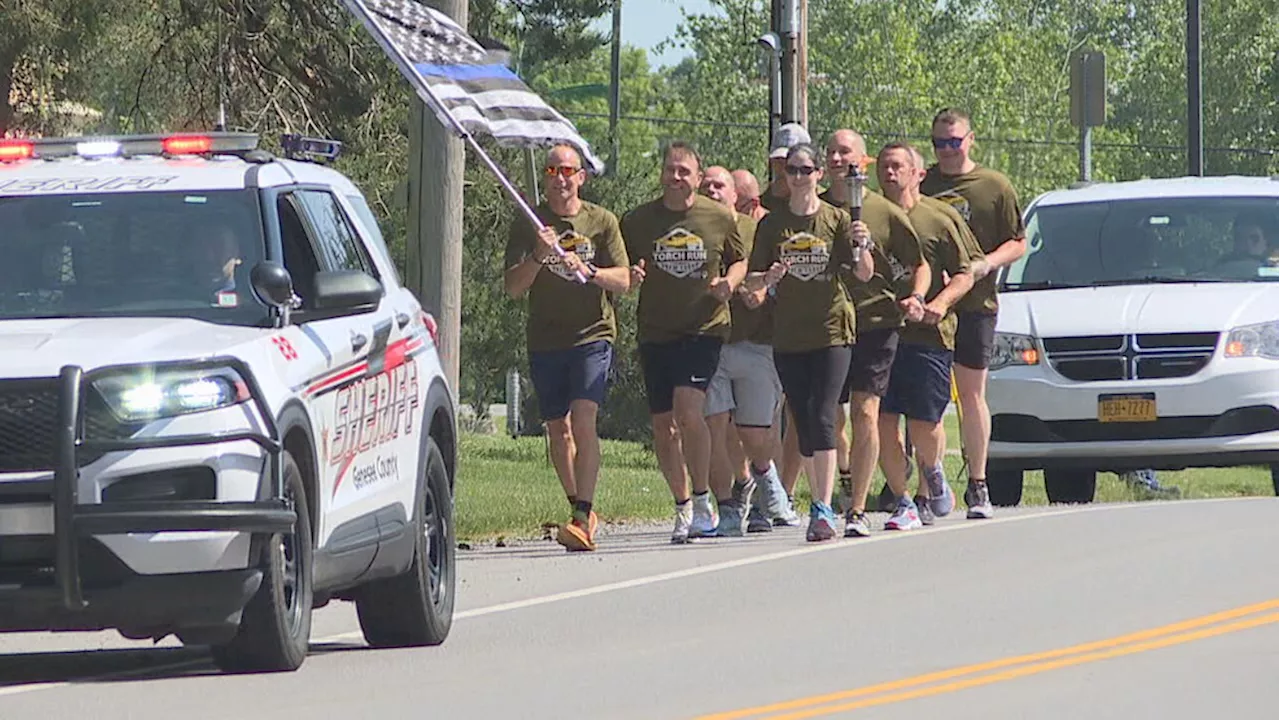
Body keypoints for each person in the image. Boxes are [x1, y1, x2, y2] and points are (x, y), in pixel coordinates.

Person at [742, 143, 875, 542]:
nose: (798, 177)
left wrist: (862, 244)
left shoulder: (836, 219)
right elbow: (751, 281)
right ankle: (816, 501)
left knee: (823, 415)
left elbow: (864, 273)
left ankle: (822, 507)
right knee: (801, 419)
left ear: (819, 174)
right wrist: (770, 279)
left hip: (832, 330)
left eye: (805, 170)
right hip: (789, 335)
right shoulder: (772, 225)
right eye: (791, 171)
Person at [503, 144, 631, 551]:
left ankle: (581, 513)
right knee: (558, 430)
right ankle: (580, 509)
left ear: (582, 177)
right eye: (552, 170)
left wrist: (590, 271)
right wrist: (539, 255)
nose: (560, 178)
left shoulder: (602, 221)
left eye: (568, 171)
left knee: (583, 418)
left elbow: (625, 280)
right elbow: (513, 288)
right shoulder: (529, 223)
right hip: (546, 338)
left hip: (593, 334)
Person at [621, 142, 748, 544]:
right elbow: (622, 263)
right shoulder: (639, 220)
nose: (676, 178)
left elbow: (740, 260)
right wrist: (631, 275)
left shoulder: (719, 217)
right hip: (656, 329)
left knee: (689, 409)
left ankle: (702, 500)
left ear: (697, 177)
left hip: (703, 328)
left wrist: (730, 282)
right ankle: (681, 507)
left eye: (684, 172)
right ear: (662, 174)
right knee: (663, 425)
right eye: (670, 170)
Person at [820, 128, 929, 537]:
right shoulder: (814, 209)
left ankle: (861, 510)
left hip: (877, 322)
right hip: (827, 323)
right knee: (829, 413)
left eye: (845, 152)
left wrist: (917, 297)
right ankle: (843, 485)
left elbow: (919, 263)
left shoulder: (883, 211)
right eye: (829, 151)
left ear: (862, 162)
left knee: (866, 410)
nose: (836, 158)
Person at [920, 108, 1026, 520]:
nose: (947, 151)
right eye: (939, 143)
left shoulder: (994, 186)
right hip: (931, 304)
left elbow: (1018, 242)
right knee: (925, 399)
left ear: (971, 140)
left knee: (971, 393)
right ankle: (928, 484)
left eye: (954, 142)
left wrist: (986, 264)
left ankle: (979, 484)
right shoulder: (923, 183)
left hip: (976, 304)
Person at [875, 142, 979, 529]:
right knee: (881, 418)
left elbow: (967, 271)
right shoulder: (868, 216)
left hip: (928, 335)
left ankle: (929, 477)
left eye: (898, 166)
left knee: (924, 422)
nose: (890, 173)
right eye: (884, 166)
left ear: (919, 174)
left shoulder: (940, 218)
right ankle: (902, 499)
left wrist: (941, 302)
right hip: (880, 333)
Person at [698, 166, 796, 535]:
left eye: (719, 185)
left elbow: (770, 281)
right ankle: (728, 505)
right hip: (707, 341)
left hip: (756, 341)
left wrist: (757, 288)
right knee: (714, 425)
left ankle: (766, 483)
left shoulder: (759, 230)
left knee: (756, 433)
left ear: (736, 195)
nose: (711, 190)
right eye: (705, 184)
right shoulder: (693, 228)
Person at [760, 122, 811, 213]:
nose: (783, 167)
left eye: (790, 162)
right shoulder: (759, 205)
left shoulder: (822, 203)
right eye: (778, 160)